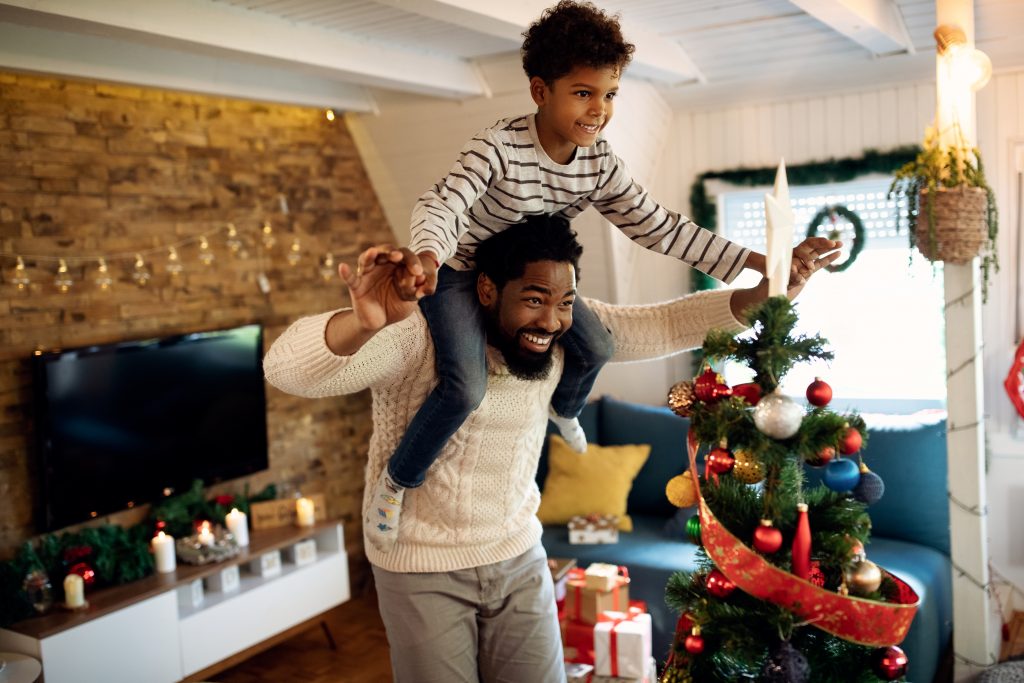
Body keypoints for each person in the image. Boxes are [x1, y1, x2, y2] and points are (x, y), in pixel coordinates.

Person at [263, 215, 839, 682]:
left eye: (565, 303)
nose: (551, 321)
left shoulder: (560, 337)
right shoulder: (418, 339)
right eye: (534, 299)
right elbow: (285, 368)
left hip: (517, 556)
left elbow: (665, 324)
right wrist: (360, 325)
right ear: (487, 289)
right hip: (420, 566)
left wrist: (768, 293)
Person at [371, 0, 814, 553]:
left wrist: (765, 264)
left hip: (534, 279)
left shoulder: (598, 163)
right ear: (541, 91)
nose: (598, 110)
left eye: (609, 95)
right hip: (462, 271)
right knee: (465, 387)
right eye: (583, 93)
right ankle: (398, 481)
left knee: (597, 345)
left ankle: (565, 408)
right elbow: (443, 203)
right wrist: (429, 258)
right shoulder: (498, 148)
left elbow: (659, 228)